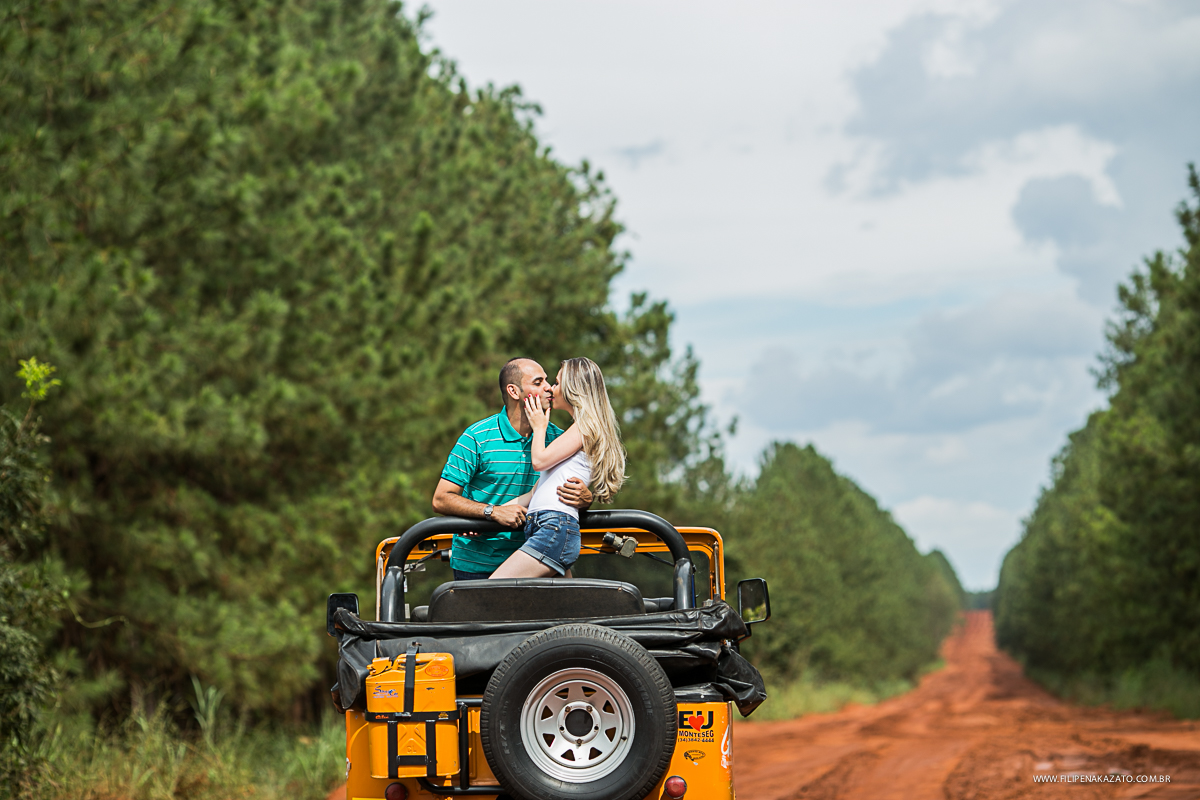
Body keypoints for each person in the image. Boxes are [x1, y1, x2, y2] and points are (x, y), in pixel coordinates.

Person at [432, 357, 593, 580]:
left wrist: (585, 499)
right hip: (476, 565)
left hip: (535, 563)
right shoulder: (477, 437)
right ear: (514, 391)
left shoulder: (560, 439)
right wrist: (491, 512)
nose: (548, 388)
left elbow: (558, 499)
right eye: (538, 382)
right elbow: (441, 499)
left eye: (548, 381)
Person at [490, 357, 626, 579]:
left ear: (572, 389)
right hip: (546, 527)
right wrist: (490, 514)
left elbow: (539, 461)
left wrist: (539, 427)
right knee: (560, 602)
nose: (550, 389)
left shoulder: (584, 427)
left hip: (554, 528)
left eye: (556, 382)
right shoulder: (573, 433)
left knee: (494, 587)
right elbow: (532, 494)